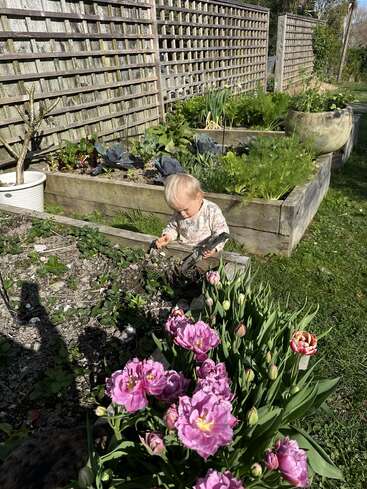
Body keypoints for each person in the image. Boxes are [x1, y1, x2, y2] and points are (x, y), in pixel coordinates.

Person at [155, 174, 229, 258]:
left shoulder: (211, 211)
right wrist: (168, 236)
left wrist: (213, 248)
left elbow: (222, 232)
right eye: (178, 211)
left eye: (185, 209)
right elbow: (173, 227)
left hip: (206, 254)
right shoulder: (179, 213)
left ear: (198, 197)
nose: (182, 214)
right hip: (184, 251)